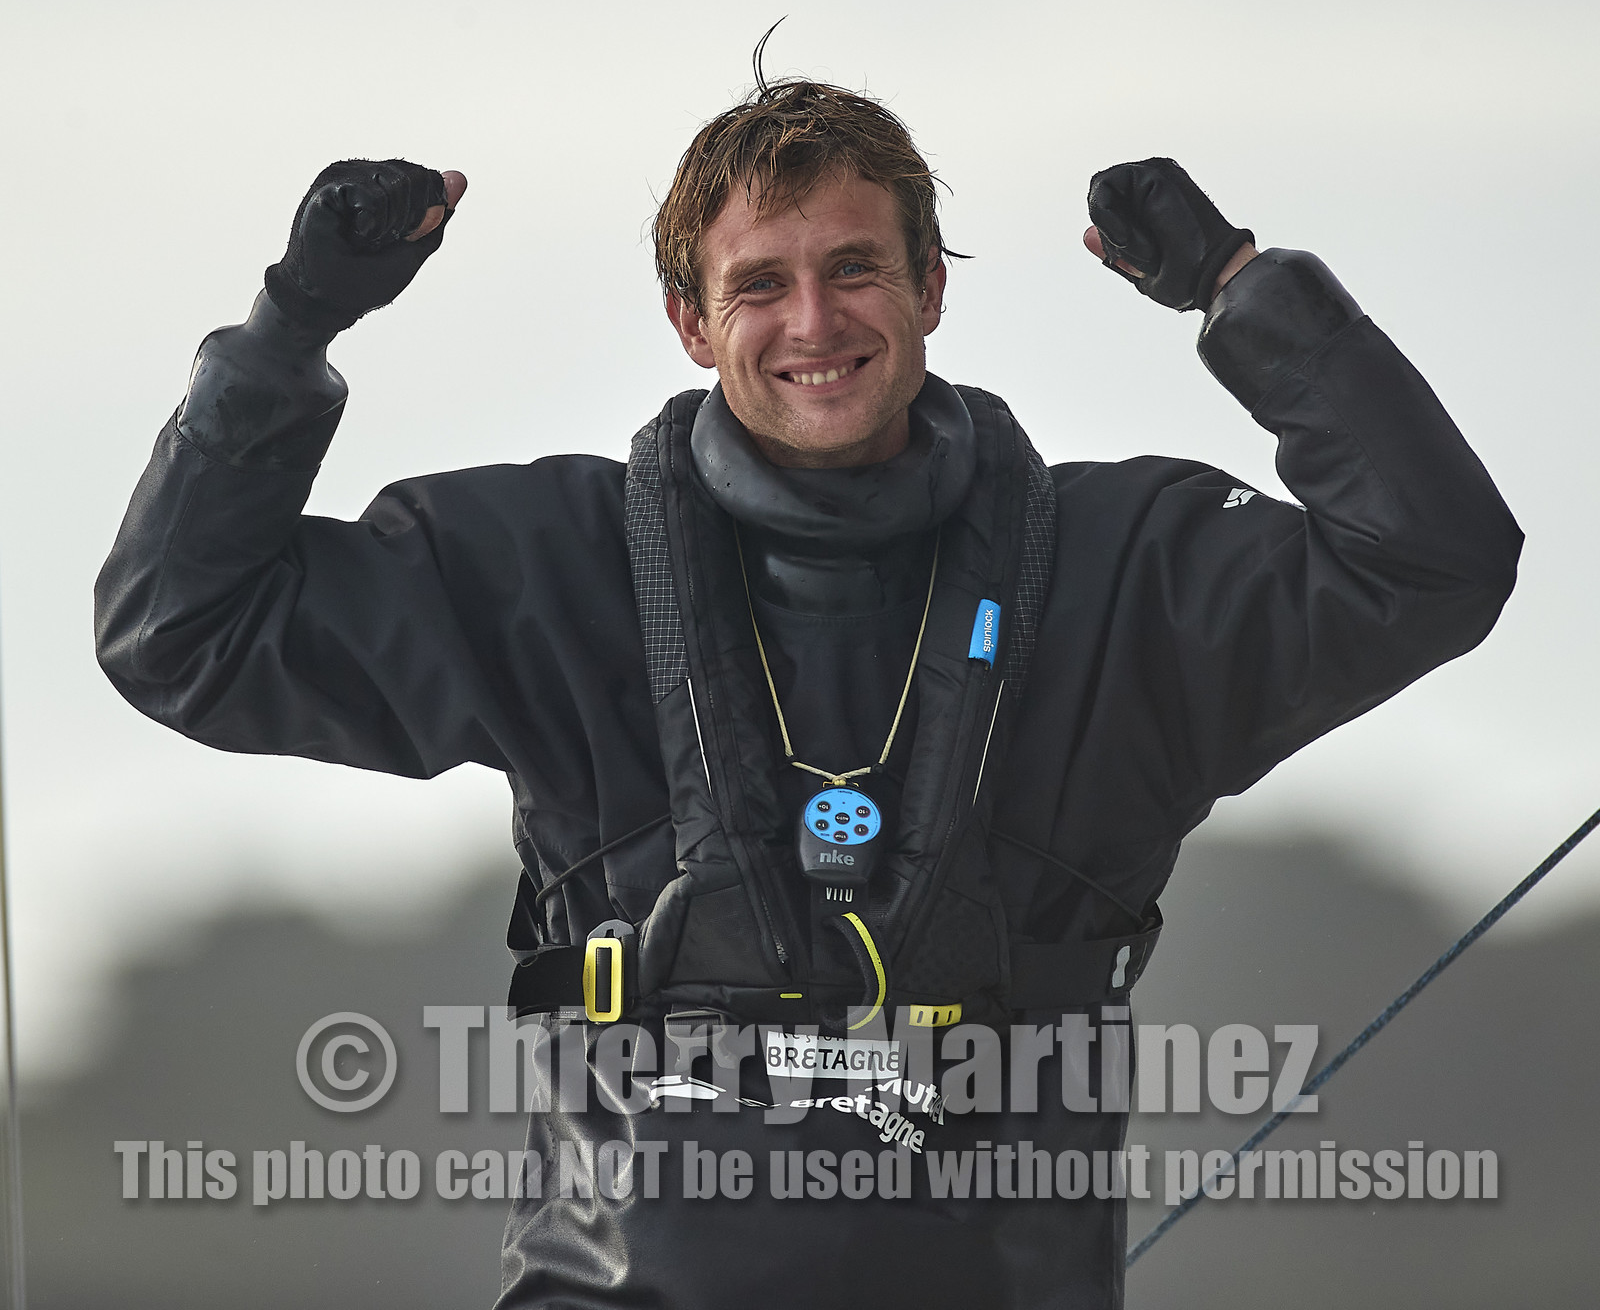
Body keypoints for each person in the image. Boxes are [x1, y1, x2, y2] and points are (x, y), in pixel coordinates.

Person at [95, 75, 1521, 1309]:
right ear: (688, 320)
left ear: (932, 291)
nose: (813, 320)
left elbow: (1437, 561)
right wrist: (292, 326)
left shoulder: (1127, 573)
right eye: (759, 283)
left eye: (855, 269)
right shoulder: (542, 567)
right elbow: (178, 631)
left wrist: (1242, 288)